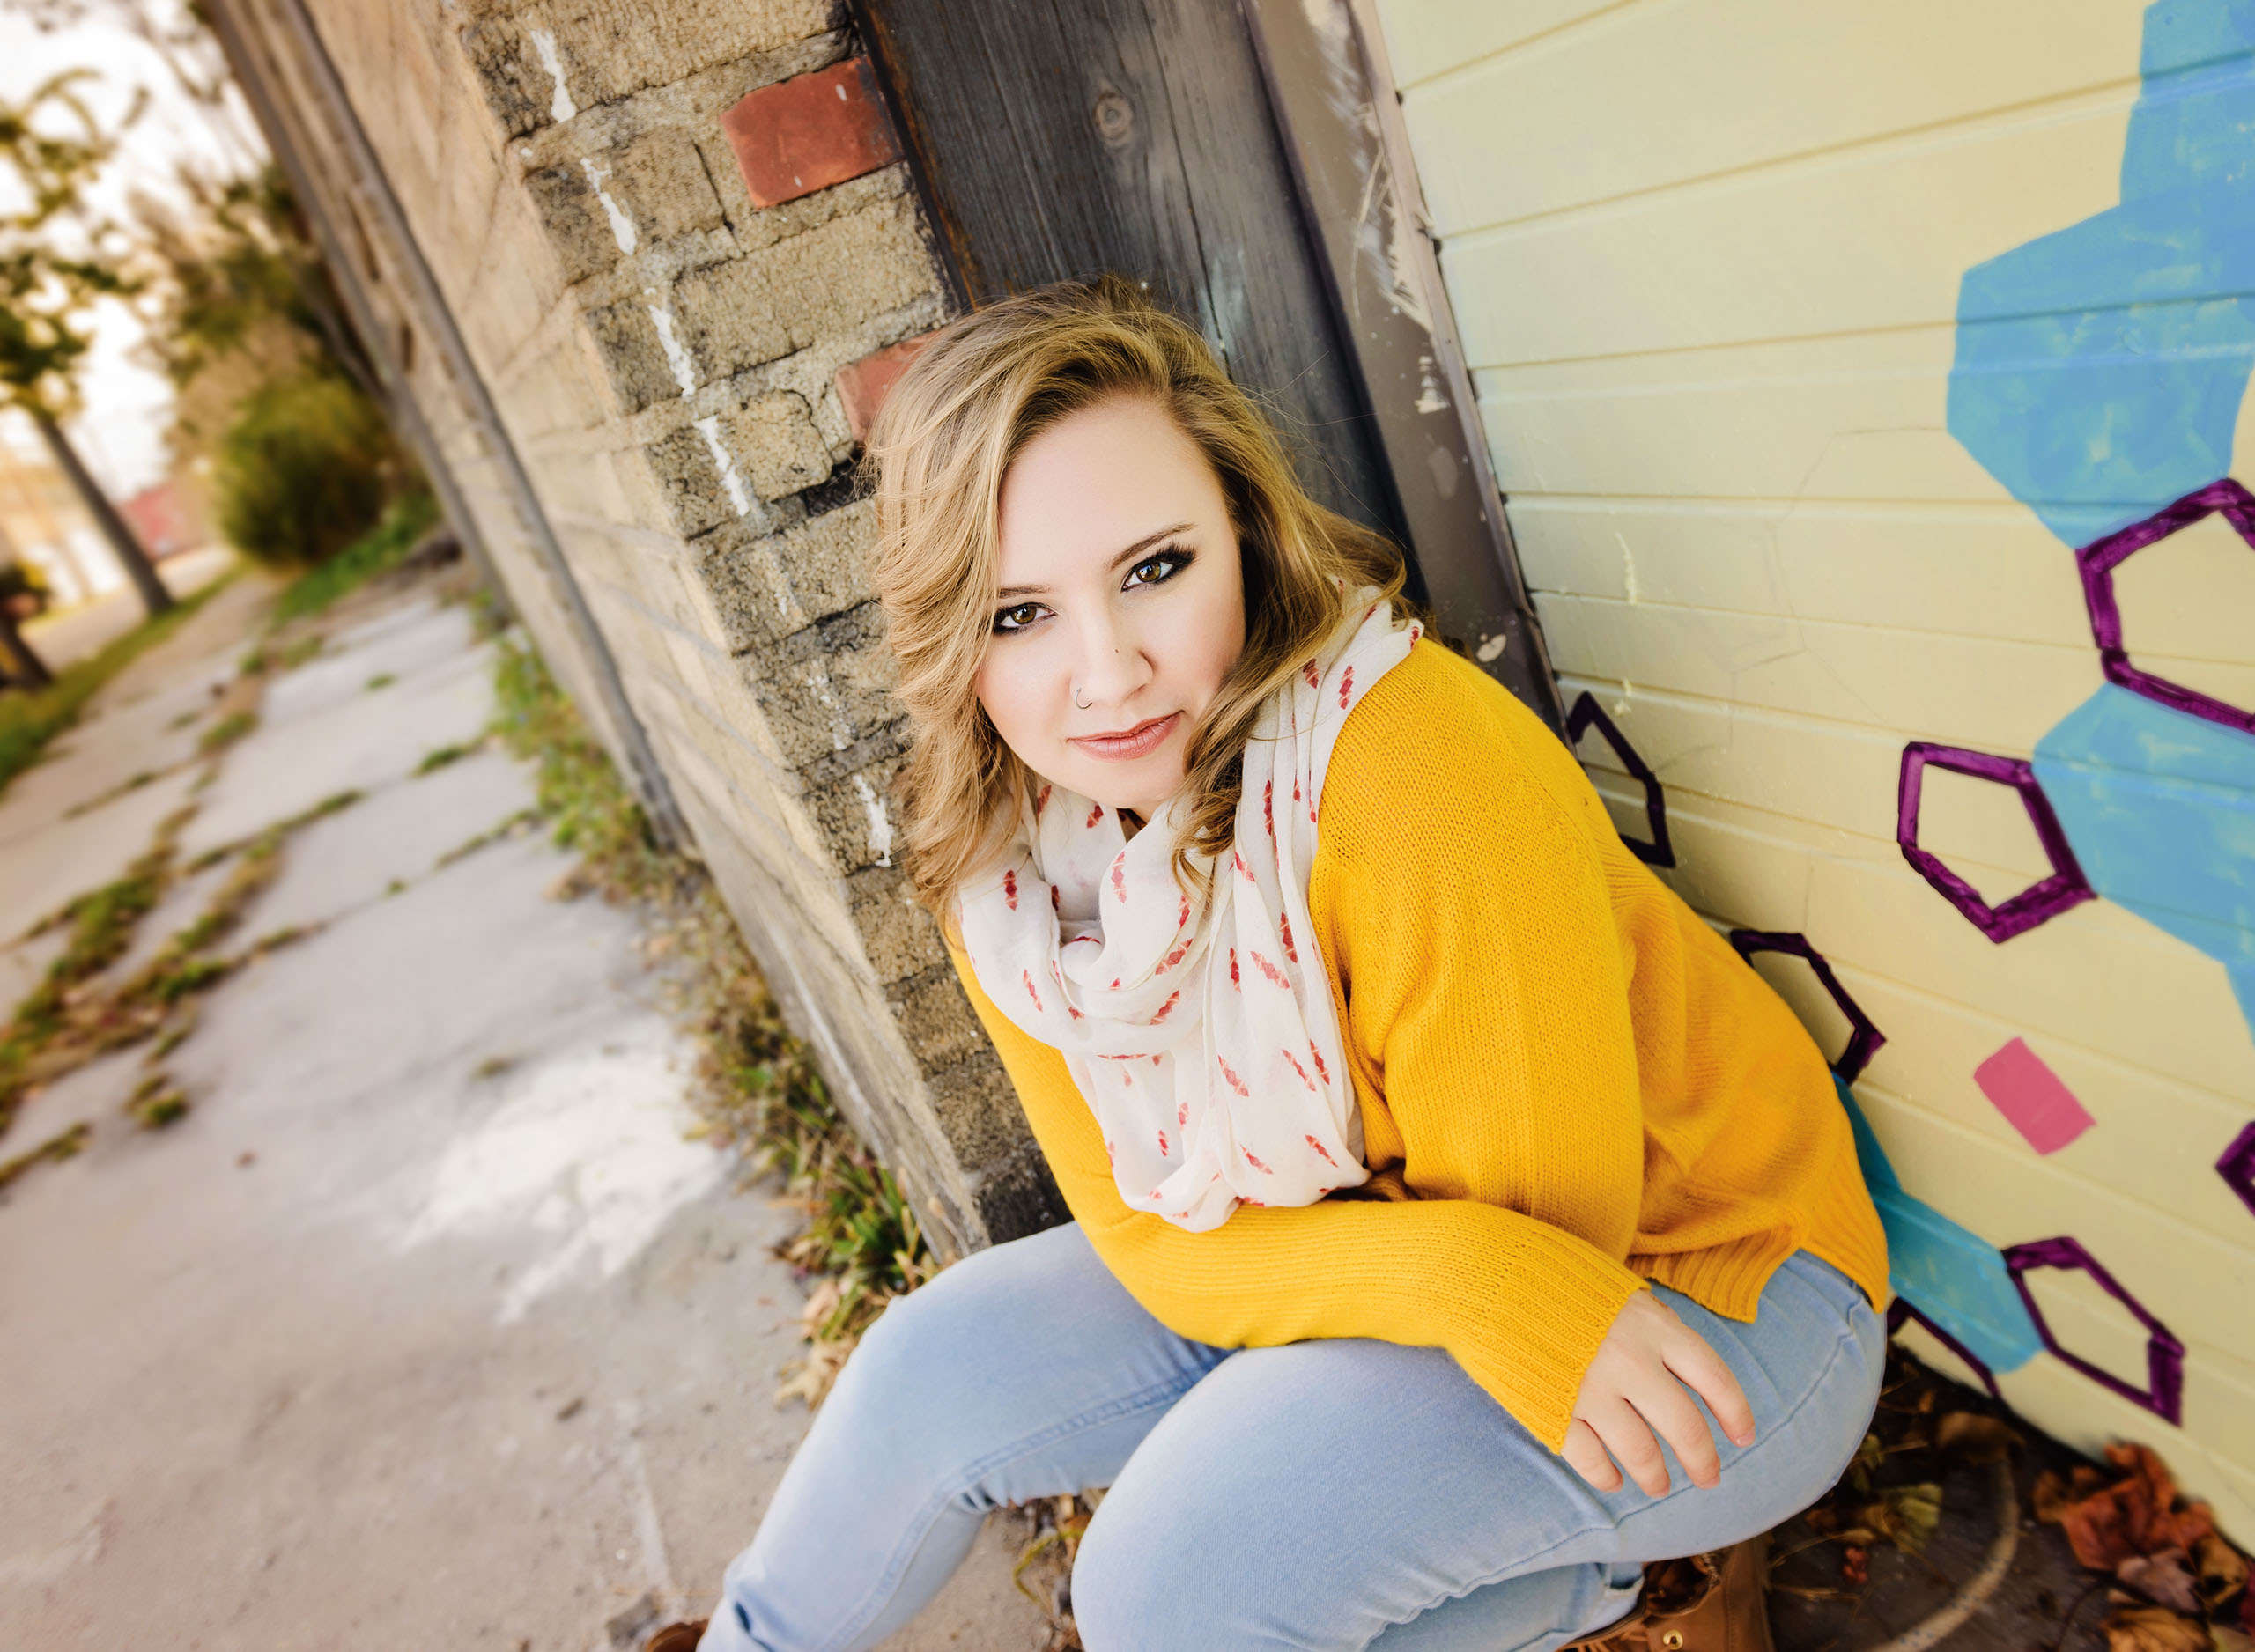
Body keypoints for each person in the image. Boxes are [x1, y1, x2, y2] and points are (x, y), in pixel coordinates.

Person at [663, 279, 1889, 1652]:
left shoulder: (1412, 767)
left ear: (1242, 536)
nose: (1109, 676)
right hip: (1406, 1248)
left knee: (1172, 1583)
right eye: (1019, 616)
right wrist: (1406, 1294)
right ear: (952, 637)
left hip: (1692, 1301)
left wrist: (1361, 1343)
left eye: (1154, 570)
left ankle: (1609, 1590)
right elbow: (1145, 1243)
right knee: (925, 1377)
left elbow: (1545, 1239)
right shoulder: (1005, 869)